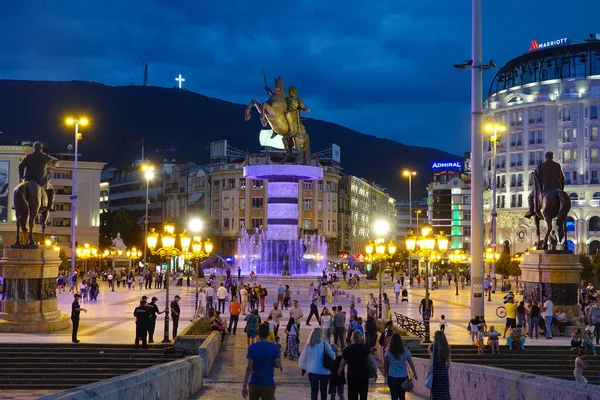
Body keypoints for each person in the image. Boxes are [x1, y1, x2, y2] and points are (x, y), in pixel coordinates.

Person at [242, 322, 281, 400]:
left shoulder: (252, 347)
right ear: (268, 334)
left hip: (254, 383)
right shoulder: (274, 347)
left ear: (258, 333)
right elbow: (277, 365)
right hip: (268, 383)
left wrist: (244, 385)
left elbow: (249, 367)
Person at [18, 141, 58, 211]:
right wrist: (57, 162)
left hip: (28, 180)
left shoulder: (28, 156)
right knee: (51, 191)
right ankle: (50, 206)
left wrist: (22, 176)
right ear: (41, 148)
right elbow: (55, 163)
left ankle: (16, 205)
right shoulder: (45, 157)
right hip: (41, 182)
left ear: (34, 148)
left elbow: (20, 166)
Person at [525, 151, 565, 219]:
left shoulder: (541, 165)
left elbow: (536, 177)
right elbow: (562, 178)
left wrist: (537, 186)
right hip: (556, 188)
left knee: (530, 196)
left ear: (546, 157)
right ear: (552, 157)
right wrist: (561, 189)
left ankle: (531, 211)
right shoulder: (557, 165)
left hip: (545, 188)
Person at [299, 327, 336, 400]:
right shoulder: (325, 344)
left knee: (314, 391)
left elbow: (303, 358)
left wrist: (303, 368)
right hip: (324, 372)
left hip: (312, 371)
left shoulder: (309, 345)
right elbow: (333, 356)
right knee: (323, 391)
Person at [384, 333, 418, 400]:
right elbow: (411, 363)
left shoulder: (388, 352)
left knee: (394, 396)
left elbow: (386, 364)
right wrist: (415, 373)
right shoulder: (405, 351)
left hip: (392, 376)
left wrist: (385, 371)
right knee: (402, 396)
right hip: (403, 377)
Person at [338, 330, 371, 400]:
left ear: (352, 338)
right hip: (363, 375)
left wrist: (339, 371)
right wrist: (374, 371)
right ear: (361, 338)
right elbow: (371, 361)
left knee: (352, 395)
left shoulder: (348, 349)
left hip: (352, 375)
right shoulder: (365, 348)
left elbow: (343, 362)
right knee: (363, 395)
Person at [429, 330, 451, 400]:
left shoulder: (433, 347)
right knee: (445, 394)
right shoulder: (446, 348)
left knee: (436, 395)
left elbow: (429, 349)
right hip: (444, 375)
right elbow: (448, 363)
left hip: (435, 375)